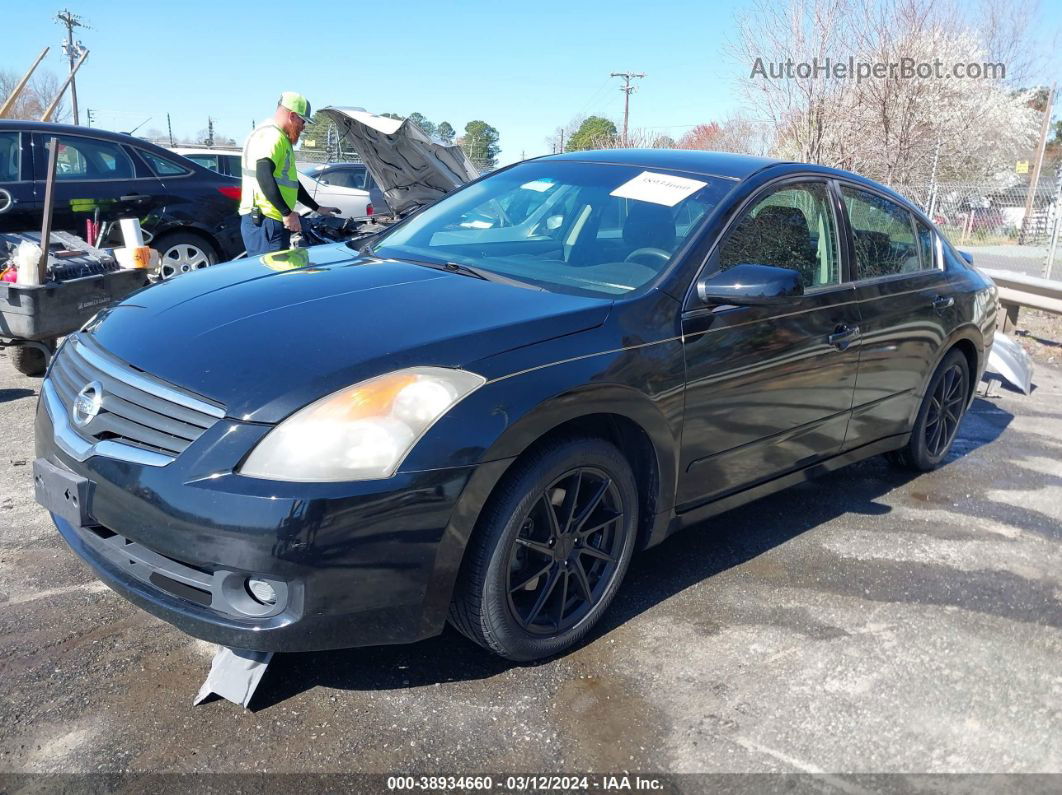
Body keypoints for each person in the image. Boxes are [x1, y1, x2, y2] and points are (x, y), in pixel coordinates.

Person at [239, 92, 340, 257]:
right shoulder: (272, 137)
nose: (304, 126)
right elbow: (263, 174)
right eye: (303, 120)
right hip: (266, 221)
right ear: (292, 116)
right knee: (271, 278)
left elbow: (292, 183)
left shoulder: (278, 137)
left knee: (276, 278)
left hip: (270, 221)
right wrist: (287, 213)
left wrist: (317, 207)